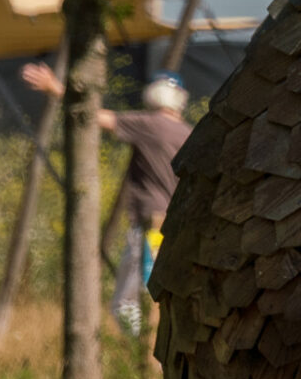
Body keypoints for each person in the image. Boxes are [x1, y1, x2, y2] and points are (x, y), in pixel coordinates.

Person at [21, 61, 192, 336]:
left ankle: (140, 352)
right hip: (178, 228)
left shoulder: (150, 124)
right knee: (165, 297)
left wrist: (55, 88)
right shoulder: (187, 133)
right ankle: (159, 356)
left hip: (152, 227)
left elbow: (98, 117)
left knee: (128, 302)